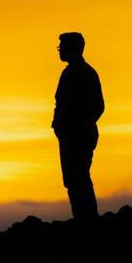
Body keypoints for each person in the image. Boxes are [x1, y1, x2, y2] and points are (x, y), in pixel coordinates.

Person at [52, 31, 105, 222]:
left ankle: (86, 220)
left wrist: (77, 126)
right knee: (79, 177)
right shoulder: (81, 72)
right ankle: (86, 218)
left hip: (76, 136)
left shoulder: (78, 73)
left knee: (76, 178)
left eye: (62, 47)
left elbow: (97, 106)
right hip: (75, 134)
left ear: (73, 49)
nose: (60, 51)